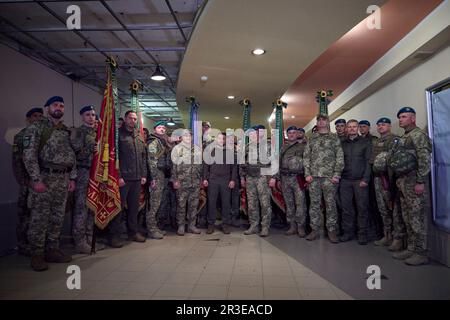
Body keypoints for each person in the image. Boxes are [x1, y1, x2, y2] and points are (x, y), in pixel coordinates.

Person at [23, 96, 76, 271]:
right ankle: (37, 254)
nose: (59, 108)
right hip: (44, 178)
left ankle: (52, 249)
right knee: (40, 218)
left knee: (57, 217)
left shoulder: (64, 130)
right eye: (55, 105)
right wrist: (36, 179)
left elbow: (71, 156)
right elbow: (29, 156)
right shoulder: (36, 127)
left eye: (61, 105)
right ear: (47, 108)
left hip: (62, 179)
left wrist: (72, 178)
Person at [390, 107, 432, 266]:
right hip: (403, 182)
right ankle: (411, 248)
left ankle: (421, 253)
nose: (401, 119)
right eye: (400, 117)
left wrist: (420, 181)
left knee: (417, 218)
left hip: (414, 182)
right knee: (407, 217)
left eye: (404, 116)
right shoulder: (404, 136)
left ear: (413, 118)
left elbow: (424, 159)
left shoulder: (418, 136)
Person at [108, 110, 148, 247]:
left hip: (137, 178)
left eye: (135, 119)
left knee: (133, 208)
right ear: (125, 119)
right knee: (118, 209)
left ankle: (133, 232)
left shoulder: (139, 136)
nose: (133, 121)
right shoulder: (118, 134)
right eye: (130, 118)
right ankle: (114, 235)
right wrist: (118, 176)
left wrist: (143, 175)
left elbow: (143, 157)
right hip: (123, 179)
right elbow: (113, 157)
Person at [303, 114, 344, 243]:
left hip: (329, 177)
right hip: (314, 177)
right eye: (319, 120)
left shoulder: (334, 138)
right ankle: (314, 229)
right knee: (314, 204)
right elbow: (306, 157)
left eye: (323, 120)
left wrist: (337, 174)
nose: (321, 122)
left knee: (330, 204)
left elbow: (340, 157)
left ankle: (331, 230)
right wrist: (307, 174)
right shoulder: (312, 138)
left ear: (327, 122)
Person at [12, 107, 43, 256]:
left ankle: (36, 245)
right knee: (25, 214)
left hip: (41, 182)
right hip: (27, 183)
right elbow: (17, 162)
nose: (37, 118)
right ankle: (23, 245)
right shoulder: (21, 136)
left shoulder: (45, 135)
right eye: (34, 116)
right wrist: (25, 182)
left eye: (40, 116)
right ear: (28, 119)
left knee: (38, 215)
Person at [371, 117, 406, 249]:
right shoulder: (376, 141)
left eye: (383, 124)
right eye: (379, 125)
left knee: (394, 209)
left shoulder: (395, 140)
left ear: (389, 126)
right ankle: (387, 235)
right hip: (378, 178)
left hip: (390, 179)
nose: (381, 127)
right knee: (383, 209)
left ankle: (398, 238)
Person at [339, 119, 372, 245]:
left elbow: (369, 162)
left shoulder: (365, 142)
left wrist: (366, 179)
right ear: (346, 128)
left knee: (362, 208)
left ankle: (362, 234)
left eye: (354, 126)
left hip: (360, 181)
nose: (352, 129)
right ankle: (348, 232)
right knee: (346, 208)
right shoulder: (342, 143)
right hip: (345, 180)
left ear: (358, 128)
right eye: (350, 126)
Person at [70, 105, 97, 254]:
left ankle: (90, 238)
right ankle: (79, 241)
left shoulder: (98, 132)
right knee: (81, 208)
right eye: (88, 115)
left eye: (93, 115)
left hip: (95, 174)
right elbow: (76, 154)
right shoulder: (78, 132)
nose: (91, 117)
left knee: (93, 207)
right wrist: (92, 147)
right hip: (83, 172)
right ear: (82, 116)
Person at [240, 125, 274, 237]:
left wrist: (274, 177)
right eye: (255, 132)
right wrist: (242, 177)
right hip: (250, 177)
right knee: (252, 203)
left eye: (259, 132)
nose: (257, 134)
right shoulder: (248, 146)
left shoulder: (269, 146)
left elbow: (275, 162)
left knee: (265, 203)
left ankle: (265, 227)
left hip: (263, 177)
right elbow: (242, 163)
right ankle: (254, 225)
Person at [203, 132, 238, 234]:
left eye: (223, 139)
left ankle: (225, 224)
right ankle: (211, 224)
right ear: (216, 140)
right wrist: (205, 178)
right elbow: (206, 166)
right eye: (219, 138)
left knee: (226, 203)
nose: (221, 140)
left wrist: (232, 180)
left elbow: (234, 167)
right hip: (213, 180)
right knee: (212, 202)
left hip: (226, 180)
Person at [275, 126, 307, 237]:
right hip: (285, 178)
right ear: (287, 135)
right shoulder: (283, 148)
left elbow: (308, 163)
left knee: (300, 203)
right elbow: (278, 164)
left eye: (294, 133)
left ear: (297, 134)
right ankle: (292, 226)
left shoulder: (303, 147)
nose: (292, 135)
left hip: (297, 178)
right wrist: (278, 179)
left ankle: (301, 227)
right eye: (290, 133)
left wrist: (307, 177)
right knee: (289, 204)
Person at [171, 129, 203, 235]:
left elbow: (201, 165)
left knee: (193, 205)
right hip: (182, 182)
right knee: (181, 205)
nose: (188, 137)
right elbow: (173, 166)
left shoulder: (197, 149)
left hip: (195, 182)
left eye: (189, 135)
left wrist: (201, 179)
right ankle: (181, 225)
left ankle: (191, 225)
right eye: (185, 136)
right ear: (181, 137)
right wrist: (175, 180)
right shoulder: (177, 149)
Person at [146, 120, 173, 239]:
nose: (162, 129)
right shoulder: (154, 142)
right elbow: (152, 161)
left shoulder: (163, 142)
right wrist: (153, 178)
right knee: (154, 204)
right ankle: (151, 229)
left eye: (163, 127)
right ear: (155, 130)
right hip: (156, 176)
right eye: (159, 127)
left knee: (158, 203)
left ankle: (155, 227)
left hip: (162, 175)